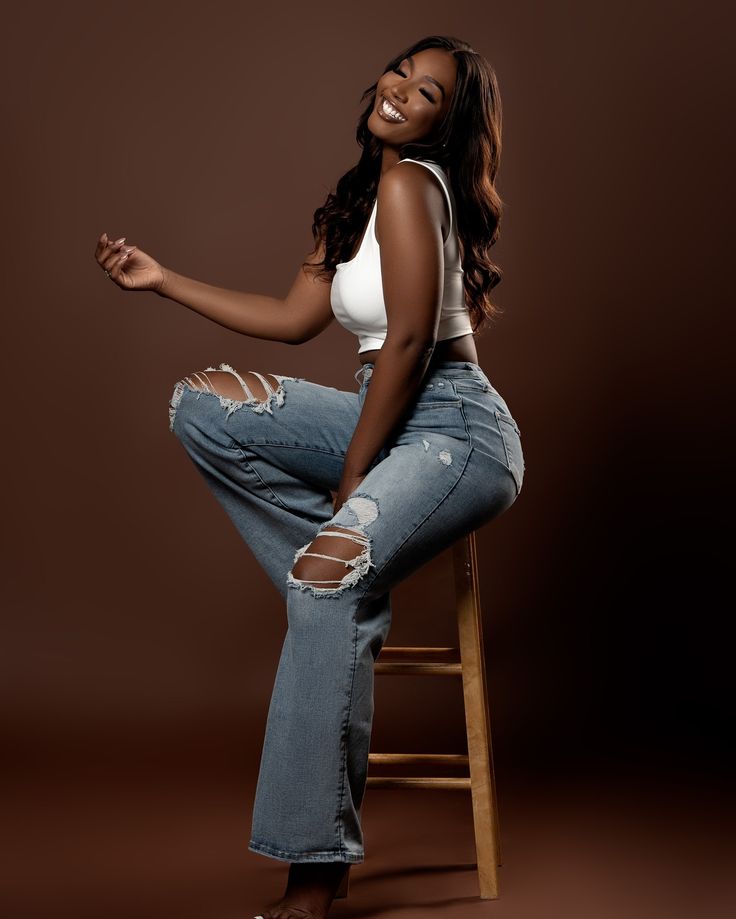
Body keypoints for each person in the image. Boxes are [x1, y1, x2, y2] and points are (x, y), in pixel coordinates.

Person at [94, 34, 524, 919]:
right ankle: (338, 580)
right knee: (201, 403)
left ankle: (313, 882)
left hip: (452, 426)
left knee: (327, 582)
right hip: (385, 403)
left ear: (446, 126)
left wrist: (353, 479)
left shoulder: (415, 183)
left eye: (431, 94)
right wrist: (162, 279)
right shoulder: (358, 197)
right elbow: (295, 321)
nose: (404, 91)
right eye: (402, 71)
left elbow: (408, 340)